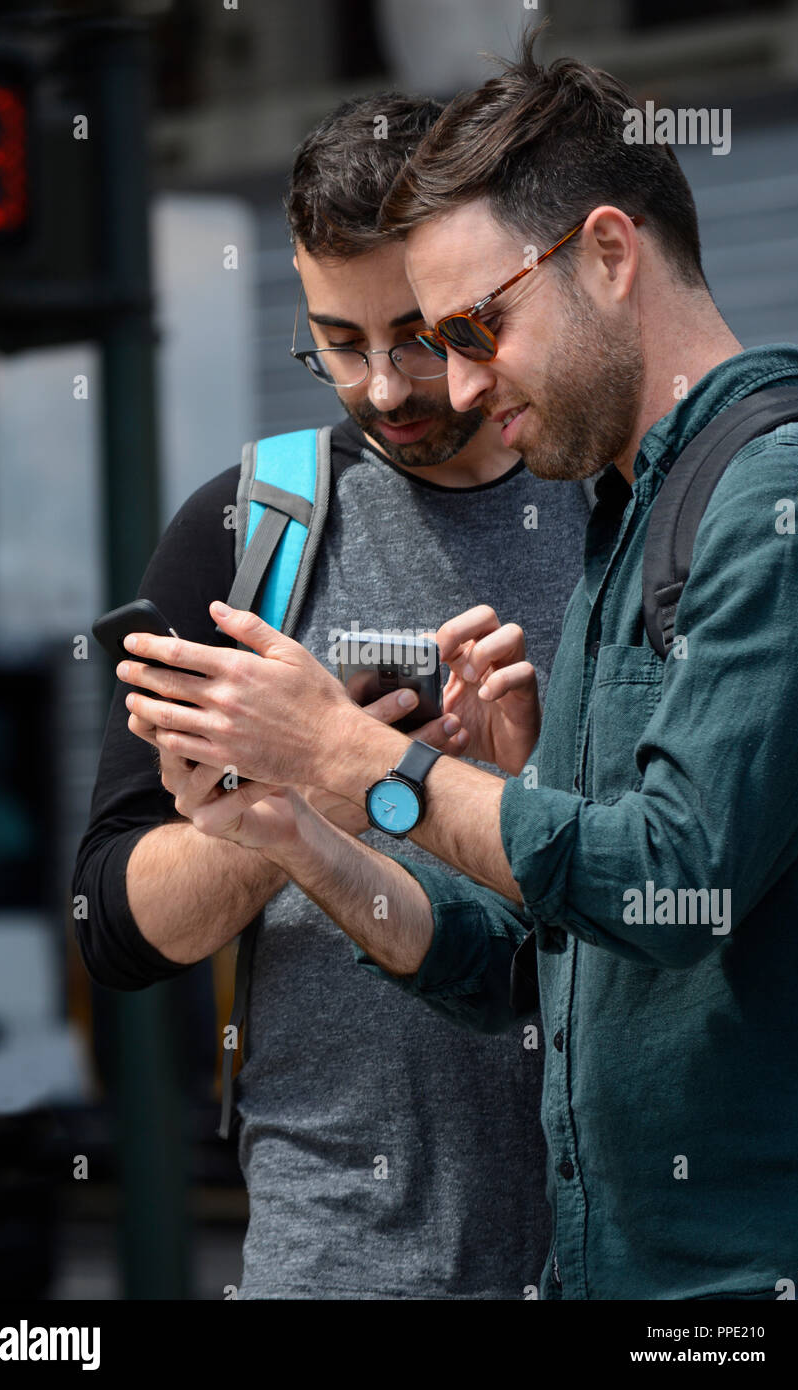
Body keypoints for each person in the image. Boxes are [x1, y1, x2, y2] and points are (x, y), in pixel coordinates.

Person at [117, 34, 798, 1302]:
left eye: (470, 326)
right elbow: (531, 961)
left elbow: (672, 875)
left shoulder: (770, 498)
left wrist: (359, 759)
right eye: (347, 341)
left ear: (607, 254)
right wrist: (297, 823)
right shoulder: (630, 509)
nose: (452, 382)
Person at [73, 93, 591, 1300]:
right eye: (338, 342)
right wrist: (304, 800)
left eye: (419, 335)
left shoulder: (615, 502)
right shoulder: (250, 528)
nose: (383, 387)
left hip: (609, 1250)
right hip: (338, 1256)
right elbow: (112, 925)